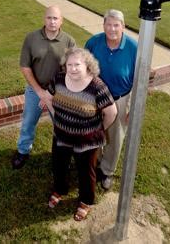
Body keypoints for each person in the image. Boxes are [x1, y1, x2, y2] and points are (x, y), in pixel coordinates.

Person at [46, 48, 117, 221]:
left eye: (77, 64)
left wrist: (99, 129)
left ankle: (86, 201)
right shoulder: (59, 79)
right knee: (59, 165)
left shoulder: (97, 86)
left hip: (87, 140)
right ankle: (60, 189)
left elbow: (111, 112)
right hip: (62, 135)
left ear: (87, 66)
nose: (73, 68)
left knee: (86, 172)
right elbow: (48, 97)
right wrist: (57, 119)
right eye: (69, 65)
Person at [11, 5, 76, 169]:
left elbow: (71, 70)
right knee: (28, 122)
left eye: (56, 18)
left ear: (62, 21)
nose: (52, 21)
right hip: (35, 90)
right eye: (49, 18)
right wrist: (41, 92)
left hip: (59, 93)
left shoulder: (69, 41)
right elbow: (25, 67)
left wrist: (50, 93)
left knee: (62, 125)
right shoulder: (31, 38)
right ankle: (23, 151)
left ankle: (62, 155)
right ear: (44, 19)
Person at [85, 9, 137, 190]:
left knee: (115, 137)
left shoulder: (133, 47)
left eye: (116, 25)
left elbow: (140, 79)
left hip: (120, 99)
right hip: (95, 99)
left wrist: (134, 107)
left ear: (123, 26)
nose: (112, 29)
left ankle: (107, 170)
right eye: (109, 24)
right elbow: (84, 69)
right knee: (94, 132)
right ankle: (94, 160)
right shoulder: (94, 42)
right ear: (103, 25)